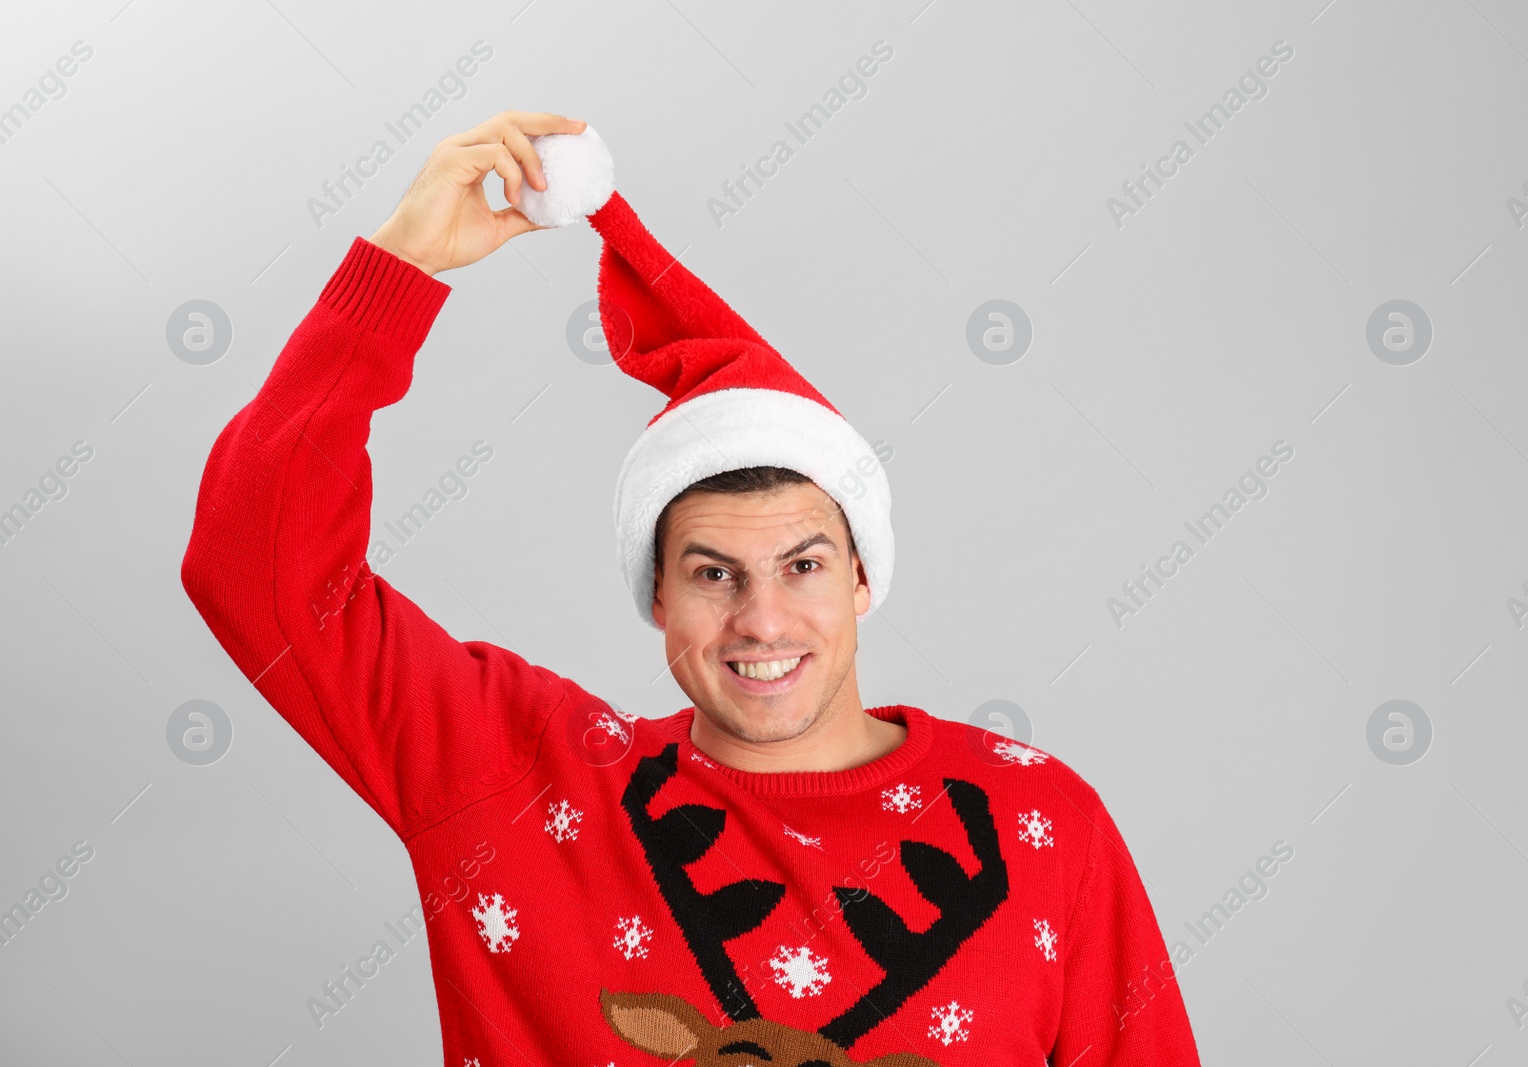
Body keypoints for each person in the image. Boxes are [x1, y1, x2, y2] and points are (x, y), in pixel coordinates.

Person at [181, 110, 1202, 1066]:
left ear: (861, 577)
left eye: (801, 564)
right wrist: (396, 274)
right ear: (657, 594)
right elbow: (253, 568)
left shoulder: (1039, 821)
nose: (760, 618)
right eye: (713, 573)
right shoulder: (520, 785)